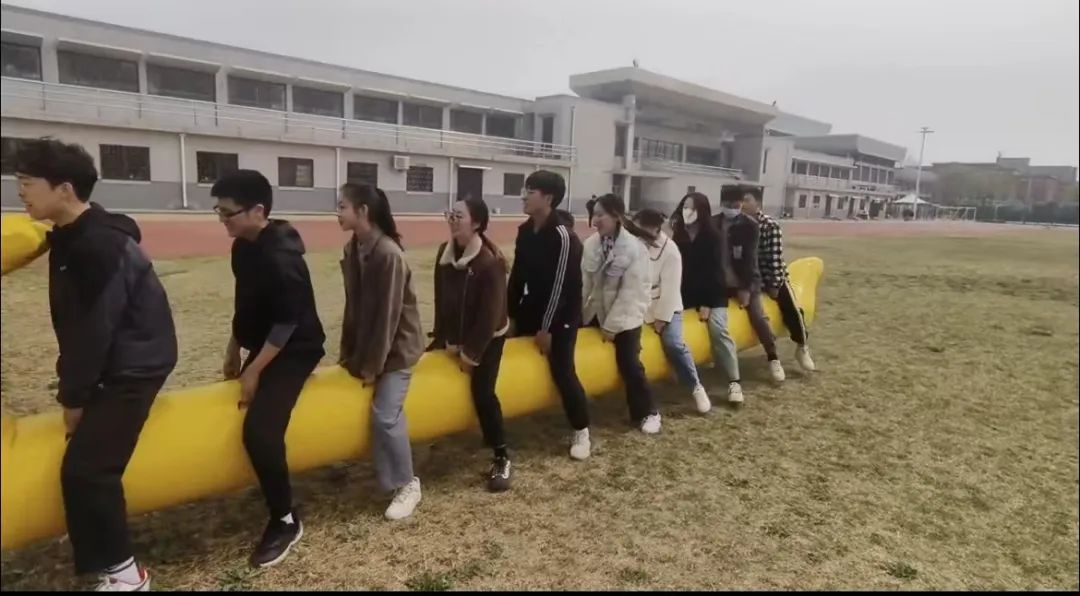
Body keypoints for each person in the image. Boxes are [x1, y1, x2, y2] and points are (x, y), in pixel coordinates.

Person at [15, 138, 178, 591]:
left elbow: (93, 329)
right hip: (114, 358)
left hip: (135, 364)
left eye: (27, 182)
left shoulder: (97, 244)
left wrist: (75, 398)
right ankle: (102, 553)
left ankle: (128, 576)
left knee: (88, 469)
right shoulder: (73, 236)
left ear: (64, 189)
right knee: (81, 464)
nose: (20, 191)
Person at [212, 169, 326, 569]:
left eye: (228, 213)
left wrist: (254, 370)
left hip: (296, 347)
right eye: (218, 211)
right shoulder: (243, 247)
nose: (222, 220)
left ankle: (285, 520)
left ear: (258, 211)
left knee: (260, 431)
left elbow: (286, 323)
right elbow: (245, 305)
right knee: (241, 407)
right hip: (265, 343)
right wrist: (234, 348)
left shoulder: (282, 258)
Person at [337, 183, 425, 520]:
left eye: (342, 206)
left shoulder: (388, 254)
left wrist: (372, 366)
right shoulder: (353, 248)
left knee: (386, 415)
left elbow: (388, 317)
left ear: (362, 211)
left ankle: (407, 484)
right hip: (369, 347)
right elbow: (353, 308)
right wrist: (349, 353)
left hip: (397, 350)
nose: (337, 213)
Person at [507, 170, 592, 460]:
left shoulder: (564, 237)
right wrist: (510, 315)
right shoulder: (524, 231)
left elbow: (560, 286)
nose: (524, 196)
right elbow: (517, 277)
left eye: (530, 192)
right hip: (533, 304)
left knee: (562, 368)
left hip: (562, 313)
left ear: (548, 198)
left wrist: (547, 329)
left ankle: (581, 429)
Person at [429, 198, 513, 492]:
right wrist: (440, 337)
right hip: (457, 335)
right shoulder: (445, 252)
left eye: (459, 216)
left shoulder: (490, 262)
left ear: (476, 223)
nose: (452, 220)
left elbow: (490, 316)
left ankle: (501, 455)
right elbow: (441, 299)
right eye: (450, 214)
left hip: (489, 337)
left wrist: (471, 354)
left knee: (483, 392)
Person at [581, 195, 661, 433]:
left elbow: (631, 293)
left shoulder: (635, 248)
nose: (595, 220)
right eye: (593, 215)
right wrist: (578, 314)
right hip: (596, 311)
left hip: (626, 318)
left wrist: (612, 326)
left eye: (600, 215)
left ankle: (647, 412)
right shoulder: (591, 245)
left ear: (616, 216)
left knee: (629, 363)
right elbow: (584, 284)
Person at [631, 208, 712, 414]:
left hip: (666, 306)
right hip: (638, 304)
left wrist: (661, 319)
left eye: (641, 228)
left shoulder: (670, 251)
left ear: (654, 228)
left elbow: (671, 290)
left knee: (673, 343)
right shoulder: (634, 244)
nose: (637, 232)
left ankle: (696, 387)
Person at [669, 192, 745, 404]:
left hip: (713, 294)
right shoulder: (679, 236)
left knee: (718, 329)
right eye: (685, 206)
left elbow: (717, 272)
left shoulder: (714, 236)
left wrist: (708, 303)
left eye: (692, 208)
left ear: (702, 211)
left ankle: (734, 381)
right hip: (686, 294)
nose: (687, 211)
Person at [740, 189, 816, 372]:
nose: (743, 204)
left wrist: (774, 284)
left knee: (791, 307)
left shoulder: (770, 226)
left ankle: (802, 346)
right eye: (741, 200)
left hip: (769, 275)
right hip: (750, 278)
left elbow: (774, 258)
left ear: (758, 203)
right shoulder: (737, 225)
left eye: (747, 200)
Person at [714, 187, 763, 391]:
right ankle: (718, 362)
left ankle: (772, 356)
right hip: (720, 282)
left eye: (736, 205)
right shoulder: (713, 223)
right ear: (722, 203)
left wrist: (746, 288)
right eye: (729, 205)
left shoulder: (750, 225)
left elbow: (750, 259)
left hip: (744, 280)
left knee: (757, 316)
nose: (733, 208)